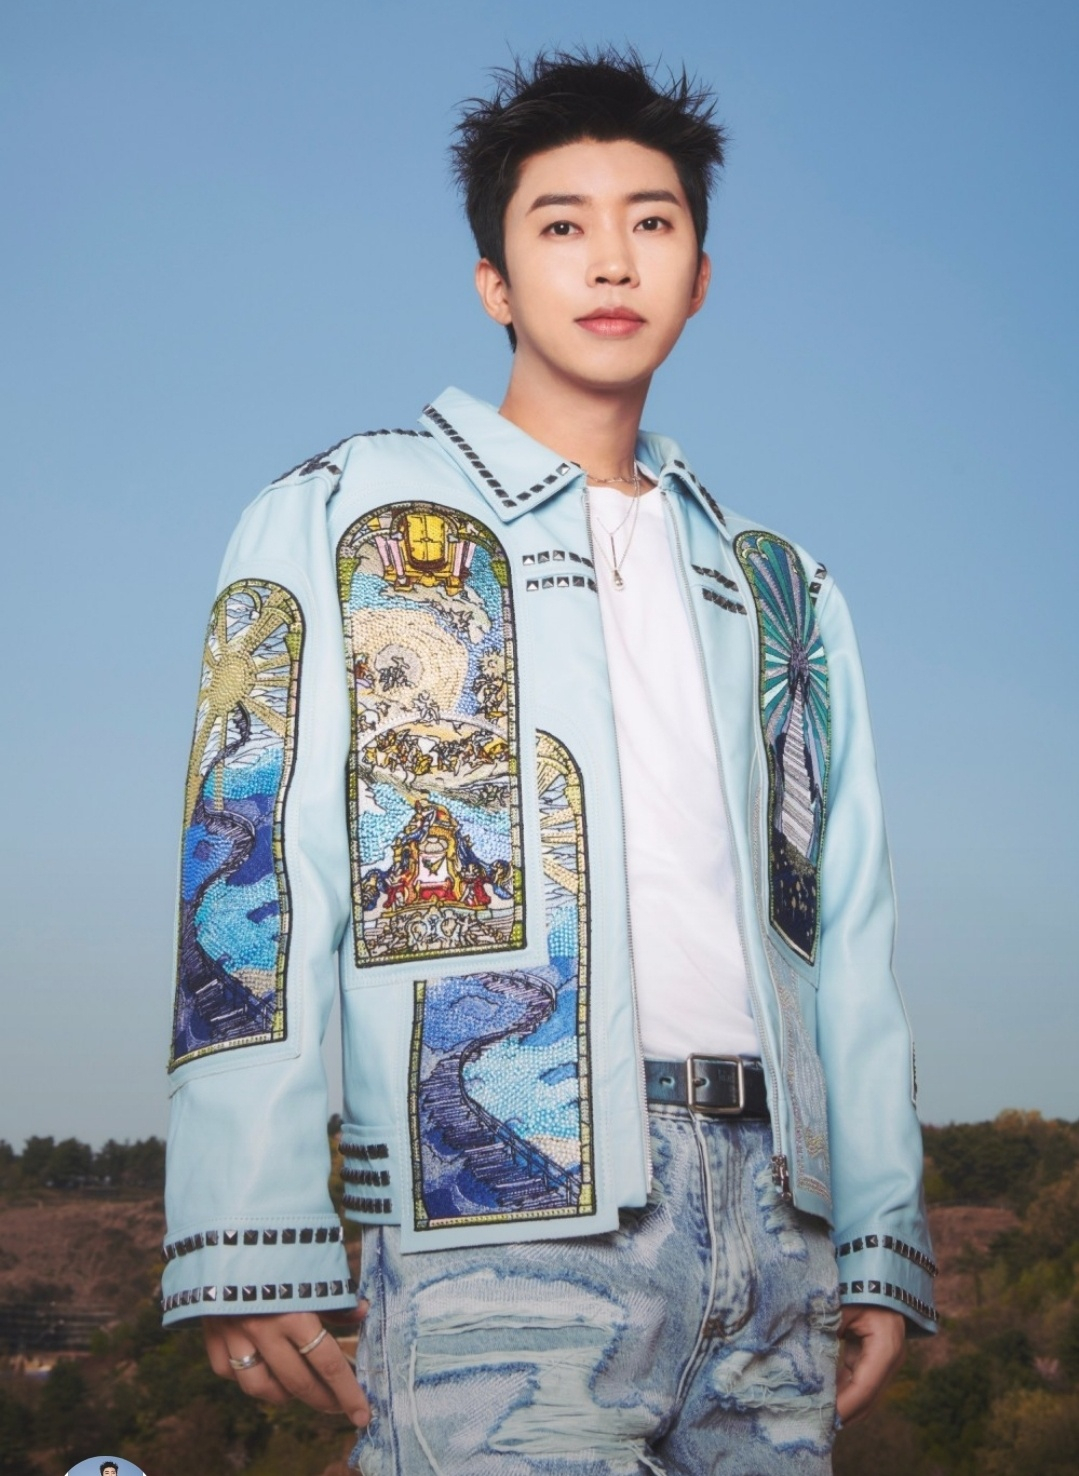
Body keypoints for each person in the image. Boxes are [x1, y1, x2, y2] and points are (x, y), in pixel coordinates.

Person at [162, 48, 937, 1474]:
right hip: (496, 1219)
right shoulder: (343, 512)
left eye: (653, 221)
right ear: (496, 283)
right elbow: (248, 874)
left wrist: (878, 1234)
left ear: (700, 276)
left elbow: (850, 933)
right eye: (562, 223)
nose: (612, 259)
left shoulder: (786, 589)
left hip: (780, 1231)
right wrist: (246, 1223)